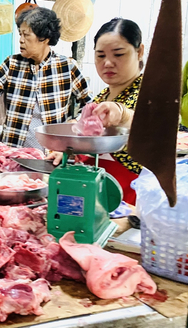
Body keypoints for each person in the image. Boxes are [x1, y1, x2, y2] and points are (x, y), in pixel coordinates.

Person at [49, 18, 145, 205]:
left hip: (130, 201)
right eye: (100, 56)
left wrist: (123, 114)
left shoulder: (151, 93)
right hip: (95, 195)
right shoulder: (102, 97)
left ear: (139, 51)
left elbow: (155, 125)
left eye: (118, 54)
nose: (108, 63)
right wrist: (72, 150)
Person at [0, 7, 91, 149]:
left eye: (26, 35)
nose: (21, 40)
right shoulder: (11, 64)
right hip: (13, 151)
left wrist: (76, 122)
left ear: (45, 38)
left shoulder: (67, 66)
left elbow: (90, 105)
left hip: (52, 153)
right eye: (20, 34)